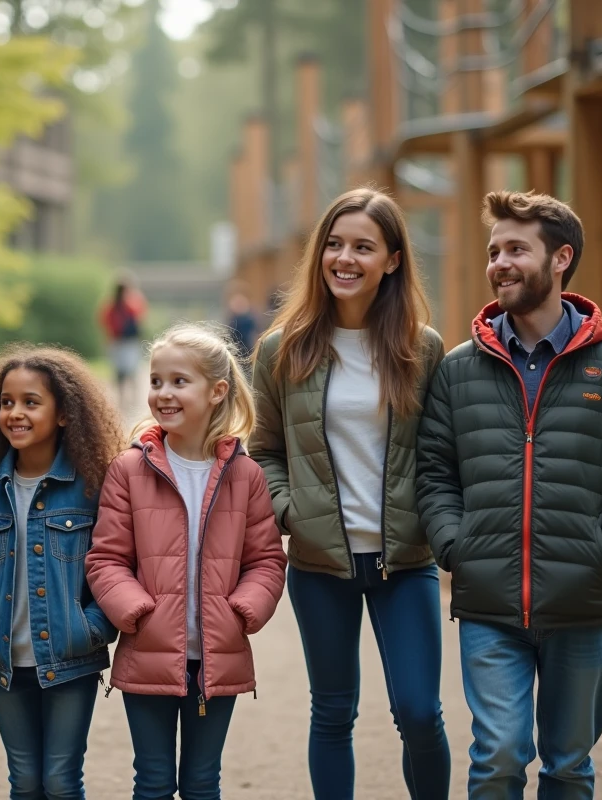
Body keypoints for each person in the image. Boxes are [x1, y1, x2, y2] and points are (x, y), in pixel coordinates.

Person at [416, 190, 602, 799]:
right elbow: (432, 470)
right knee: (500, 757)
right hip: (490, 604)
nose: (500, 263)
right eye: (493, 251)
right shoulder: (458, 371)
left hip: (583, 604)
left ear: (561, 258)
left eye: (516, 249)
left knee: (567, 765)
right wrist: (458, 547)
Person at [249, 186, 451, 799]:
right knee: (333, 713)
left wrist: (432, 521)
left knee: (419, 712)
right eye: (334, 245)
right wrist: (293, 512)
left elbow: (440, 455)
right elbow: (264, 452)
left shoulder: (423, 348)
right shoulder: (283, 349)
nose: (344, 258)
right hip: (320, 564)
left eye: (363, 247)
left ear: (392, 259)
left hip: (406, 562)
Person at [86, 322, 288, 800]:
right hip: (148, 651)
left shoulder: (247, 475)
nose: (164, 393)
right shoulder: (130, 470)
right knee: (152, 781)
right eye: (156, 381)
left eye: (180, 381)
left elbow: (266, 560)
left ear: (218, 391)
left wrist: (244, 610)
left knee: (202, 782)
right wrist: (135, 610)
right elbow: (106, 558)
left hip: (217, 657)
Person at [0, 344, 124, 799]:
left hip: (72, 658)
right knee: (23, 782)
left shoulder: (92, 484)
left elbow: (113, 565)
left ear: (63, 414)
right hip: (5, 659)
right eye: (7, 402)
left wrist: (90, 628)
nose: (15, 413)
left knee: (60, 780)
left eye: (31, 402)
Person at [99, 277, 147, 411]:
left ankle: (123, 399)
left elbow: (104, 322)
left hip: (117, 342)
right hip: (128, 342)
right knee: (131, 371)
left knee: (120, 372)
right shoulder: (131, 303)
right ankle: (133, 399)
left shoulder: (110, 305)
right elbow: (140, 316)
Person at [224, 284, 260, 365]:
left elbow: (254, 332)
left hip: (247, 349)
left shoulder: (249, 316)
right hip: (235, 349)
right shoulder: (233, 317)